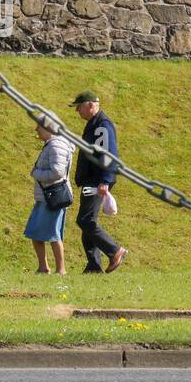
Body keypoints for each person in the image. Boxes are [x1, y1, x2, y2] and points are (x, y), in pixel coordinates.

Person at [71, 90, 128, 275]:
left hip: (97, 180)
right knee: (88, 221)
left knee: (85, 220)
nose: (77, 111)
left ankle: (114, 250)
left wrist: (105, 180)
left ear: (90, 105)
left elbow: (108, 153)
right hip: (92, 179)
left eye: (79, 107)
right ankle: (93, 266)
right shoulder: (94, 124)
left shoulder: (102, 125)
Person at [24, 121, 74, 275]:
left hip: (52, 197)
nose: (36, 130)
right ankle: (43, 267)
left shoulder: (55, 145)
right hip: (47, 196)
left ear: (47, 127)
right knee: (35, 232)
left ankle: (61, 269)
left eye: (38, 127)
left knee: (53, 235)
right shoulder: (54, 144)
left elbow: (57, 173)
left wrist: (36, 173)